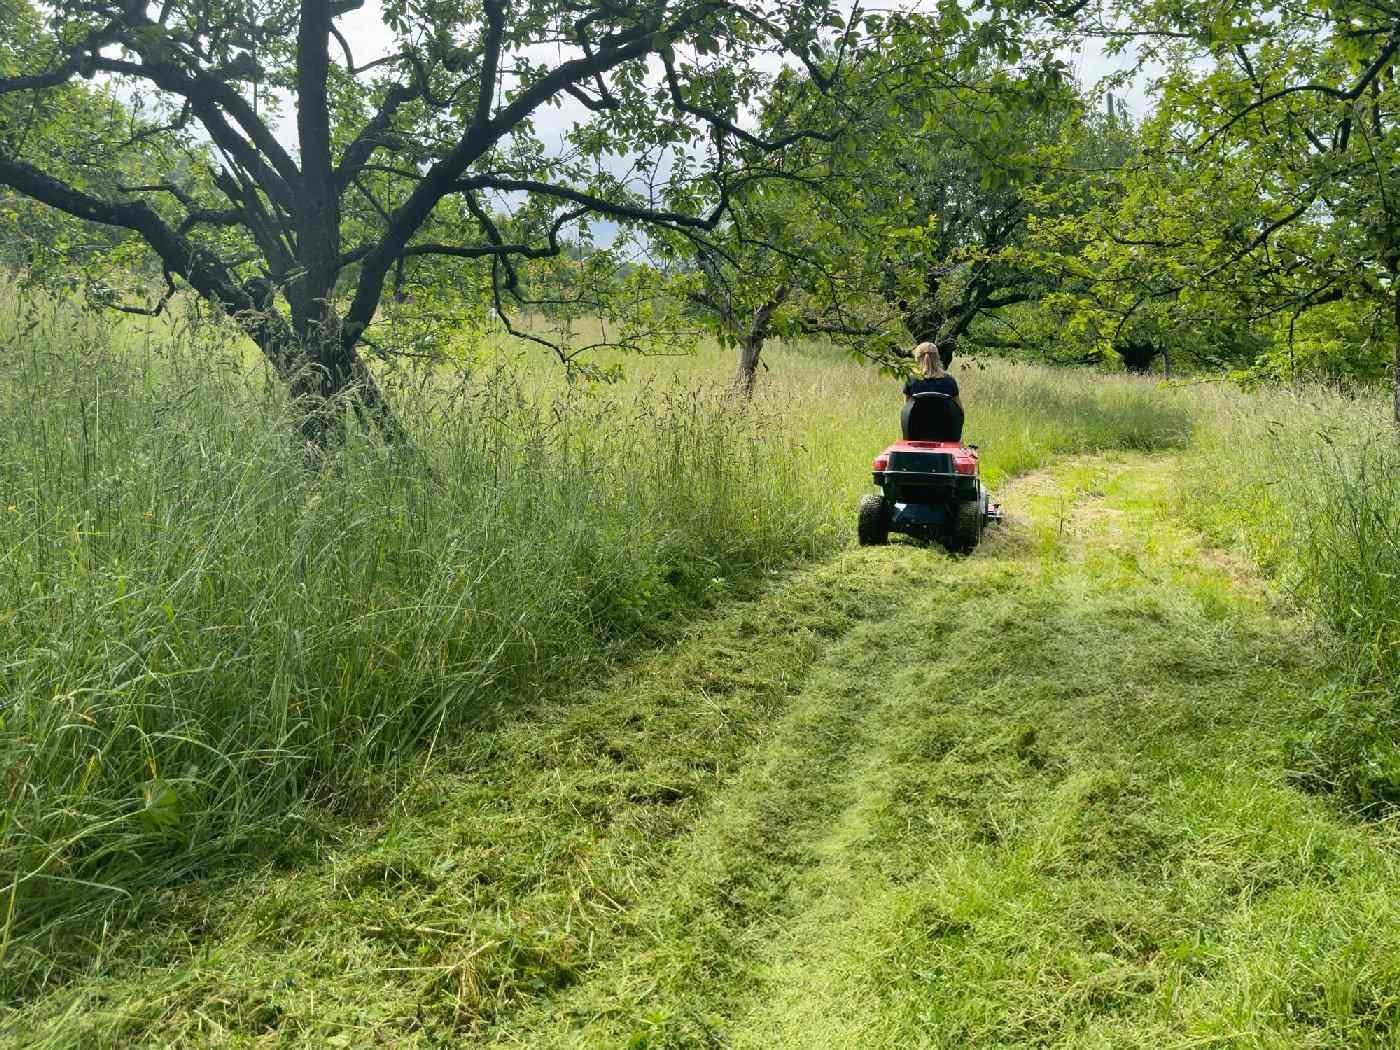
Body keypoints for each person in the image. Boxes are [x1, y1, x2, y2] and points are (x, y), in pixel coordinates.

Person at [903, 341, 962, 409]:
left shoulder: (911, 381)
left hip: (917, 419)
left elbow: (906, 411)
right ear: (937, 358)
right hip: (944, 419)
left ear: (917, 359)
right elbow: (960, 410)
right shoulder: (950, 381)